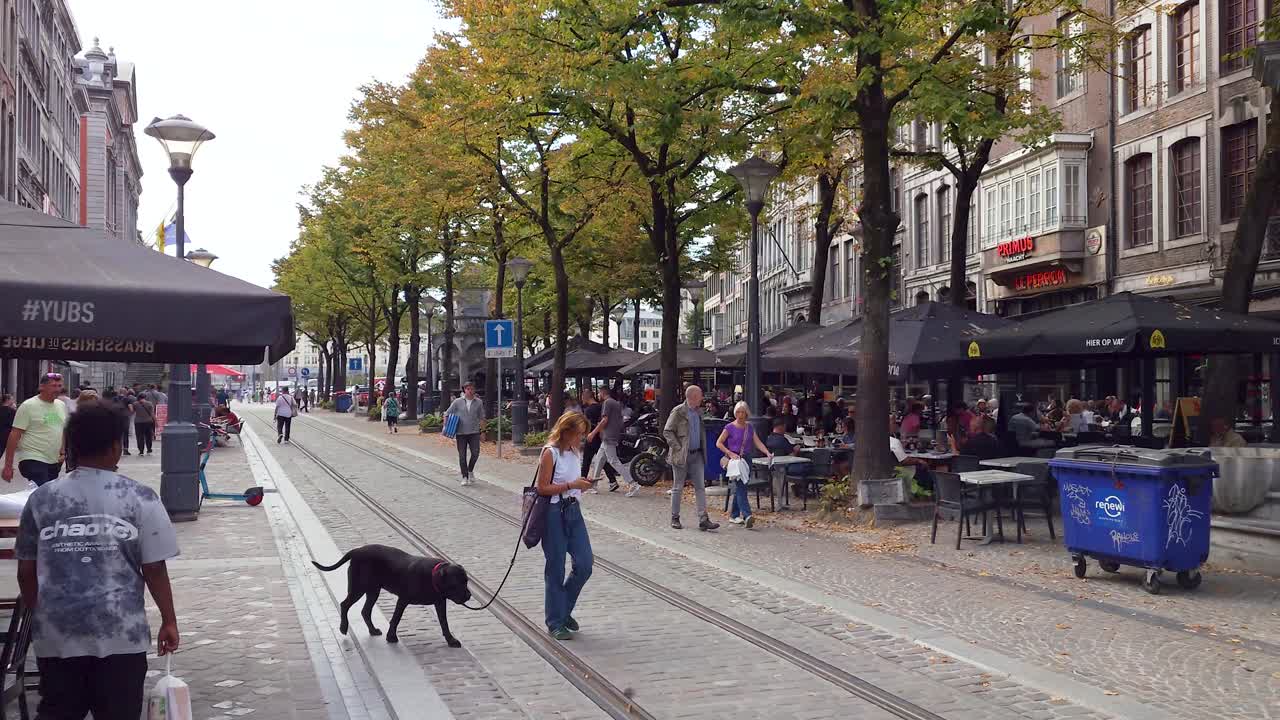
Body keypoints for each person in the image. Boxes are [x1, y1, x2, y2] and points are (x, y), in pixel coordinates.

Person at [16, 403, 180, 719]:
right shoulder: (140, 497)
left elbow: (26, 571)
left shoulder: (42, 498)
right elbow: (154, 568)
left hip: (57, 637)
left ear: (73, 445)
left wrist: (44, 612)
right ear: (116, 446)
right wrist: (169, 620)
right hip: (122, 637)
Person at [534, 412, 595, 641]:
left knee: (585, 563)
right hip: (553, 513)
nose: (580, 439)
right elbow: (542, 488)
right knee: (556, 567)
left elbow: (573, 484)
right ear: (566, 431)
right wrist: (570, 484)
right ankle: (555, 621)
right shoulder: (550, 452)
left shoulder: (574, 451)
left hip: (573, 511)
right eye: (578, 434)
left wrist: (582, 486)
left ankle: (563, 609)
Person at [664, 385, 719, 531]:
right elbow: (667, 431)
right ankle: (675, 517)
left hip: (697, 454)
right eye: (700, 395)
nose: (702, 398)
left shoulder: (698, 412)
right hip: (682, 456)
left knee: (700, 487)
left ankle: (703, 518)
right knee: (678, 487)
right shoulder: (678, 411)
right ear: (693, 396)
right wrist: (678, 448)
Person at [3, 373, 68, 487]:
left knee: (45, 494)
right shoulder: (28, 406)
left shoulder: (61, 405)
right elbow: (14, 435)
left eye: (59, 386)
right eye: (53, 386)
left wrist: (63, 452)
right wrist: (8, 465)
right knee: (43, 490)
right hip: (32, 458)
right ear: (41, 387)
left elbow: (61, 429)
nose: (57, 389)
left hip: (53, 460)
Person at [716, 401, 773, 528]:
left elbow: (757, 442)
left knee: (741, 487)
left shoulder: (749, 427)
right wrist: (729, 453)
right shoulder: (729, 427)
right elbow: (719, 443)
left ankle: (734, 515)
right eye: (738, 412)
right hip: (735, 459)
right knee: (741, 487)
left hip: (746, 459)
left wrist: (767, 452)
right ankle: (747, 515)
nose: (740, 415)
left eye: (742, 412)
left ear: (746, 413)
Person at [587, 385, 637, 496]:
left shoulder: (607, 403)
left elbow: (604, 420)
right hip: (611, 435)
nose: (598, 395)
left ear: (602, 393)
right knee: (599, 460)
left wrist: (593, 433)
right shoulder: (616, 403)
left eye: (599, 393)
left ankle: (633, 483)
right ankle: (593, 486)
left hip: (608, 436)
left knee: (613, 460)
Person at [445, 382, 485, 486]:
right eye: (468, 389)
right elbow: (447, 413)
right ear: (464, 390)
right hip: (461, 433)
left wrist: (483, 431)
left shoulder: (479, 402)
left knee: (475, 454)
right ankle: (464, 476)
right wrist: (446, 426)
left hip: (474, 432)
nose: (470, 391)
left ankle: (470, 470)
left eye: (472, 389)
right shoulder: (457, 402)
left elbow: (481, 418)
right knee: (462, 456)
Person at [580, 389, 618, 493]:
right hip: (601, 436)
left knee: (587, 460)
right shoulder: (602, 406)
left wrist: (585, 434)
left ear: (586, 397)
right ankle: (612, 480)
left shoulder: (588, 410)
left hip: (591, 436)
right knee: (602, 460)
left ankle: (582, 482)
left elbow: (586, 425)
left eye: (582, 397)